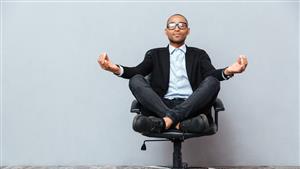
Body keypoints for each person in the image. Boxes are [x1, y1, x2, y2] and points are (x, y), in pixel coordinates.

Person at [98, 14, 248, 133]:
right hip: (161, 104)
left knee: (212, 82)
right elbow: (137, 72)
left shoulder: (199, 54)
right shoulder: (154, 54)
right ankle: (180, 123)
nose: (177, 28)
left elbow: (211, 74)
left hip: (191, 104)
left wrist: (228, 71)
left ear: (188, 30)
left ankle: (163, 123)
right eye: (172, 25)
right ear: (166, 31)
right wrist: (114, 68)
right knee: (136, 80)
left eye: (181, 25)